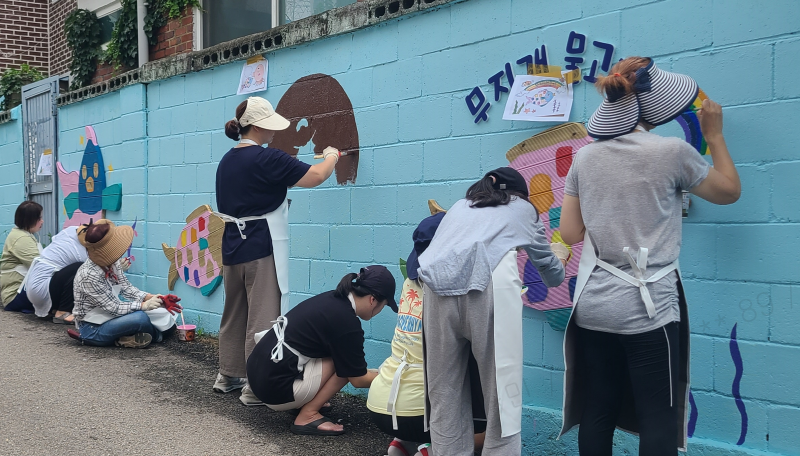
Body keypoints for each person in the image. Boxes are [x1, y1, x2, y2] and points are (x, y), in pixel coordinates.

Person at [558, 57, 741, 456]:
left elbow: (569, 233)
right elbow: (729, 191)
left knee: (598, 409)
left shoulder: (584, 158)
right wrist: (715, 136)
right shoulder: (673, 152)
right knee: (657, 415)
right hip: (649, 308)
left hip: (594, 305)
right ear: (653, 107)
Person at [417, 168, 569, 456]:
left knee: (444, 395)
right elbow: (551, 275)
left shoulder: (462, 206)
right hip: (488, 289)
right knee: (501, 396)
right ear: (520, 194)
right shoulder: (523, 209)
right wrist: (559, 256)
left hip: (436, 290)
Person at [213, 96, 341, 405]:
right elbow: (316, 176)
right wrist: (332, 155)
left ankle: (228, 374)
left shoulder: (227, 160)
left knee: (235, 311)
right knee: (263, 315)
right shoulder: (267, 158)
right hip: (261, 244)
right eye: (269, 126)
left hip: (231, 247)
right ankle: (255, 387)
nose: (274, 132)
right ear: (257, 127)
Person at [367, 212, 487, 456]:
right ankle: (432, 451)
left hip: (379, 402)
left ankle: (403, 444)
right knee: (486, 429)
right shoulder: (454, 292)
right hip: (420, 412)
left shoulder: (409, 283)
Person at [246, 266, 398, 436]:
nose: (379, 311)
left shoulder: (332, 299)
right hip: (275, 391)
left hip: (258, 377)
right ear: (372, 300)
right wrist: (395, 378)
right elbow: (358, 379)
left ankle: (303, 402)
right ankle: (307, 415)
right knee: (346, 365)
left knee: (343, 358)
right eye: (383, 306)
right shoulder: (347, 322)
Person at [72, 220, 182, 348]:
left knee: (163, 313)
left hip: (109, 317)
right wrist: (144, 305)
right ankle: (156, 336)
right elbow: (114, 308)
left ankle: (127, 337)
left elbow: (127, 289)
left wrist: (156, 298)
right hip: (93, 328)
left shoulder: (112, 263)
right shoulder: (88, 275)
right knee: (140, 318)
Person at [25, 225, 90, 324]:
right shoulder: (80, 254)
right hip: (41, 290)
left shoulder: (70, 231)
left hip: (33, 288)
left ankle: (55, 308)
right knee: (80, 269)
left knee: (71, 272)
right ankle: (62, 312)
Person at [1, 201, 43, 313]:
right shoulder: (21, 239)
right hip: (15, 295)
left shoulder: (22, 234)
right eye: (39, 218)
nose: (42, 221)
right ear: (30, 220)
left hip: (17, 293)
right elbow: (41, 267)